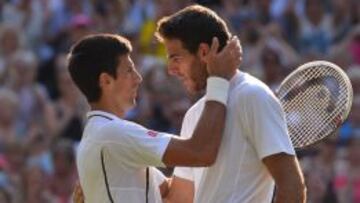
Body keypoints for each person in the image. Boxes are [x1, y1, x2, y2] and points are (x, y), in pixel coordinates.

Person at [154, 5, 306, 203]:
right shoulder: (194, 114)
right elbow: (180, 198)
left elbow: (292, 188)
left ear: (203, 51)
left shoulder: (253, 96)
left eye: (176, 58)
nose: (171, 70)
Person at [68, 33, 241, 203]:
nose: (138, 78)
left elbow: (174, 195)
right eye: (129, 70)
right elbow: (202, 152)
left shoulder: (100, 135)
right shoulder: (113, 134)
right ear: (105, 81)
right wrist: (218, 80)